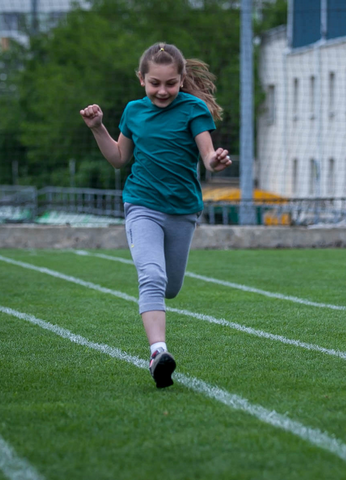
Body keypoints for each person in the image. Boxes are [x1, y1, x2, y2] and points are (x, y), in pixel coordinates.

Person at [79, 42, 231, 387]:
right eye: (154, 84)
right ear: (141, 79)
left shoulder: (194, 109)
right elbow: (119, 158)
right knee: (151, 277)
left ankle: (157, 342)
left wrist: (216, 163)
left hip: (183, 210)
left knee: (171, 287)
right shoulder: (133, 111)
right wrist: (97, 128)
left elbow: (207, 156)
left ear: (181, 79)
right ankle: (158, 352)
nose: (162, 91)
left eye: (170, 83)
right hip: (142, 205)